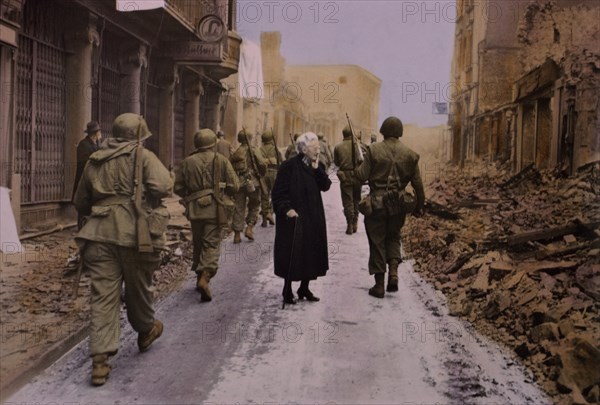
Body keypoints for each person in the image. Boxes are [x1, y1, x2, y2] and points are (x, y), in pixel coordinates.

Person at [73, 113, 173, 386]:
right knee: (139, 289)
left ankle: (100, 361)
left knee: (103, 296)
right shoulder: (143, 156)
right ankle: (145, 329)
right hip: (136, 234)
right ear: (137, 135)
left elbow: (80, 200)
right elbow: (164, 186)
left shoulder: (95, 160)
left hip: (99, 236)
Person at [354, 116, 425, 298]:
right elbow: (418, 185)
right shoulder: (410, 154)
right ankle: (393, 274)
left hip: (377, 204)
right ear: (400, 132)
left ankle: (379, 286)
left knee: (377, 241)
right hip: (399, 205)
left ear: (383, 131)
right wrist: (419, 206)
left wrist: (358, 162)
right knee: (393, 237)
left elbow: (361, 176)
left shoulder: (373, 150)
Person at [174, 129, 239, 302]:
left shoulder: (187, 162)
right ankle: (205, 277)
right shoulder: (221, 160)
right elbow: (235, 186)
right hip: (215, 209)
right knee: (211, 244)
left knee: (198, 242)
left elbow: (177, 188)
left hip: (195, 210)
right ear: (213, 144)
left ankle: (198, 275)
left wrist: (191, 196)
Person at [272, 132, 332, 305]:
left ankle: (304, 288)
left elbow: (326, 186)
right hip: (294, 217)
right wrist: (287, 209)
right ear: (304, 149)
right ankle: (287, 289)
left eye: (319, 148)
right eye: (315, 148)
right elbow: (278, 193)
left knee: (311, 251)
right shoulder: (288, 167)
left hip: (313, 216)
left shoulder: (316, 166)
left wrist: (316, 169)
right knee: (292, 252)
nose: (318, 151)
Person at [230, 129, 267, 243]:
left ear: (239, 139)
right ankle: (249, 228)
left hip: (239, 183)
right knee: (255, 205)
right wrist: (261, 174)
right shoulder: (254, 150)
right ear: (250, 139)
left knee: (239, 207)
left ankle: (237, 235)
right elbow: (261, 164)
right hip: (253, 182)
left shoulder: (236, 152)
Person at [333, 126, 363, 235]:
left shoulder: (338, 147)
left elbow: (336, 163)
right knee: (356, 200)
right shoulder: (357, 146)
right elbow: (362, 160)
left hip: (345, 176)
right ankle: (355, 222)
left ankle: (349, 223)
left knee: (347, 201)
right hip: (357, 175)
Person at [73, 121, 102, 228]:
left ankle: (88, 227)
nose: (100, 134)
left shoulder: (95, 144)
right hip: (84, 178)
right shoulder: (84, 144)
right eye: (99, 132)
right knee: (83, 203)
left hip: (92, 178)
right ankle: (81, 227)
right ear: (95, 133)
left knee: (90, 203)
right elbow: (85, 162)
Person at [259, 130, 283, 227]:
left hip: (263, 174)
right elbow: (282, 160)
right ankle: (270, 212)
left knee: (264, 195)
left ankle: (264, 219)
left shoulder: (260, 149)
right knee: (275, 194)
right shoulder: (275, 149)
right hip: (274, 173)